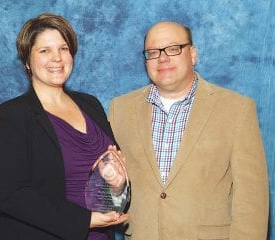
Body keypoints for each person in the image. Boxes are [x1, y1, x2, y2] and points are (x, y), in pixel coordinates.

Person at [109, 21, 269, 239]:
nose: (162, 58)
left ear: (192, 54)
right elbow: (112, 191)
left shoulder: (237, 110)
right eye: (153, 52)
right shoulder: (120, 109)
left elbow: (252, 201)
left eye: (173, 49)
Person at [0, 13, 128, 240]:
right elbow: (9, 195)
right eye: (45, 51)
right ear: (27, 61)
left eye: (63, 48)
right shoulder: (11, 116)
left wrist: (117, 186)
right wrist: (86, 220)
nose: (57, 58)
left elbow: (103, 189)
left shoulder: (90, 104)